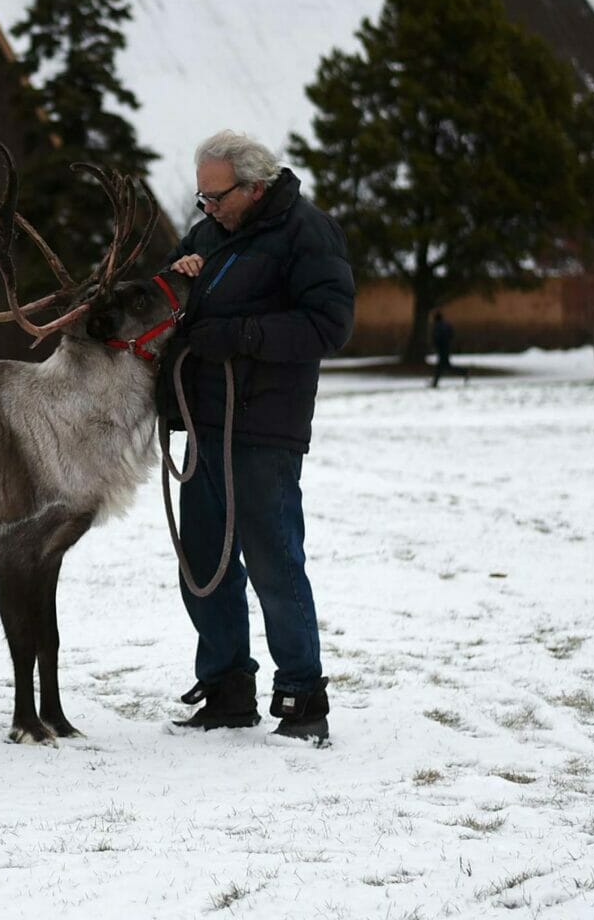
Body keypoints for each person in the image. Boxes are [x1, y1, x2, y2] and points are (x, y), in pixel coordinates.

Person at [159, 131, 355, 744]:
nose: (206, 208)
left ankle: (302, 696)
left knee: (274, 563)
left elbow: (329, 325)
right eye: (202, 198)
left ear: (254, 186)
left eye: (215, 197)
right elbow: (171, 304)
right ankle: (225, 689)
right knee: (203, 563)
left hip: (264, 429)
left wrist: (243, 337)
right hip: (204, 424)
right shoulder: (210, 232)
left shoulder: (307, 232)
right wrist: (178, 275)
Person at [430, 310, 456, 387]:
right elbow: (451, 334)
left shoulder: (437, 326)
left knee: (441, 366)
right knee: (445, 366)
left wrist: (435, 345)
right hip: (446, 347)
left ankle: (435, 382)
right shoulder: (447, 325)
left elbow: (436, 337)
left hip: (441, 348)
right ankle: (464, 372)